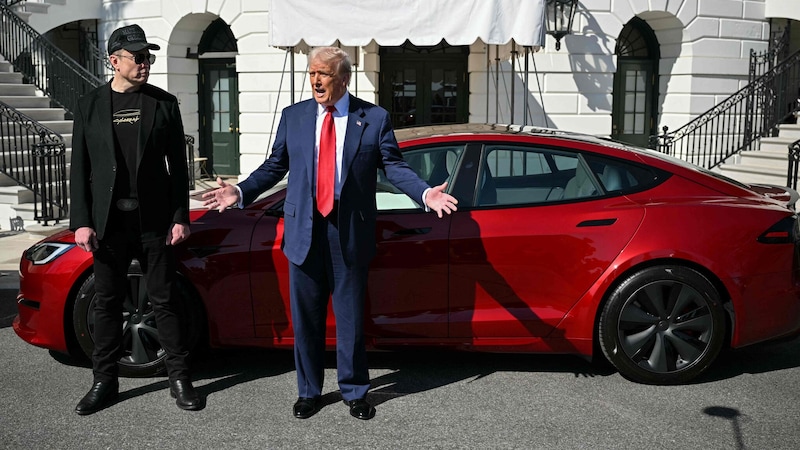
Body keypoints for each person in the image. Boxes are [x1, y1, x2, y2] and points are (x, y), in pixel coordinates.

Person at [202, 46, 458, 420]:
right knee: (306, 318)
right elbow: (275, 166)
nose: (316, 81)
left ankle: (355, 391)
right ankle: (309, 391)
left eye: (323, 74)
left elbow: (394, 166)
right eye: (311, 73)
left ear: (344, 78)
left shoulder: (372, 117)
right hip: (304, 230)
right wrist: (240, 191)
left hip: (348, 231)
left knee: (350, 318)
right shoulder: (295, 116)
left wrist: (423, 192)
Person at [69, 24, 202, 415]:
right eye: (138, 57)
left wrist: (181, 216)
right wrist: (81, 220)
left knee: (165, 299)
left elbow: (179, 168)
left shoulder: (163, 103)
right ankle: (104, 380)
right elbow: (80, 168)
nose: (145, 63)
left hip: (155, 221)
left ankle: (179, 378)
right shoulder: (89, 105)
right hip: (108, 223)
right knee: (107, 303)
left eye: (148, 57)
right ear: (114, 61)